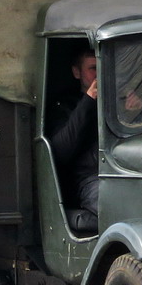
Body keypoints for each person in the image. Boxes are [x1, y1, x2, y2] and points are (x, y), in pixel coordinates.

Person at [48, 46, 99, 231]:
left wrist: (134, 110)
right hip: (89, 178)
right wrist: (89, 100)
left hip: (125, 174)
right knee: (113, 208)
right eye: (93, 68)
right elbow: (61, 151)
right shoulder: (65, 105)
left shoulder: (121, 101)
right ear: (77, 72)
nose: (99, 74)